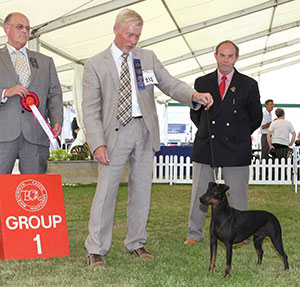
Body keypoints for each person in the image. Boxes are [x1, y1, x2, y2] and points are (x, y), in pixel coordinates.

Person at [82, 8, 213, 267]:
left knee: (141, 192)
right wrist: (97, 143)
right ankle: (96, 248)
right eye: (129, 34)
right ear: (116, 29)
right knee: (105, 193)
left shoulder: (147, 57)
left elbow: (170, 84)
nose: (133, 40)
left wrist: (194, 95)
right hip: (113, 135)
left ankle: (136, 242)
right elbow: (90, 109)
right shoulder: (95, 64)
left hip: (144, 131)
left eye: (137, 36)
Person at [184, 40, 263, 246]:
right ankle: (194, 234)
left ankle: (239, 235)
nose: (225, 60)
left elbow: (256, 117)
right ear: (215, 56)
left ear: (236, 58)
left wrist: (238, 134)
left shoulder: (248, 84)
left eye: (230, 56)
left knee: (237, 193)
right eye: (222, 55)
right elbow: (196, 114)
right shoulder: (202, 82)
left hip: (236, 147)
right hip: (206, 145)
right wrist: (205, 131)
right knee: (199, 193)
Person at [0, 12, 63, 174]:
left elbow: (54, 94)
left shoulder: (45, 61)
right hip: (3, 133)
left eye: (28, 28)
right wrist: (5, 92)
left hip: (36, 134)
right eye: (19, 27)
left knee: (35, 188)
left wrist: (57, 120)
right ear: (6, 28)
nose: (25, 32)